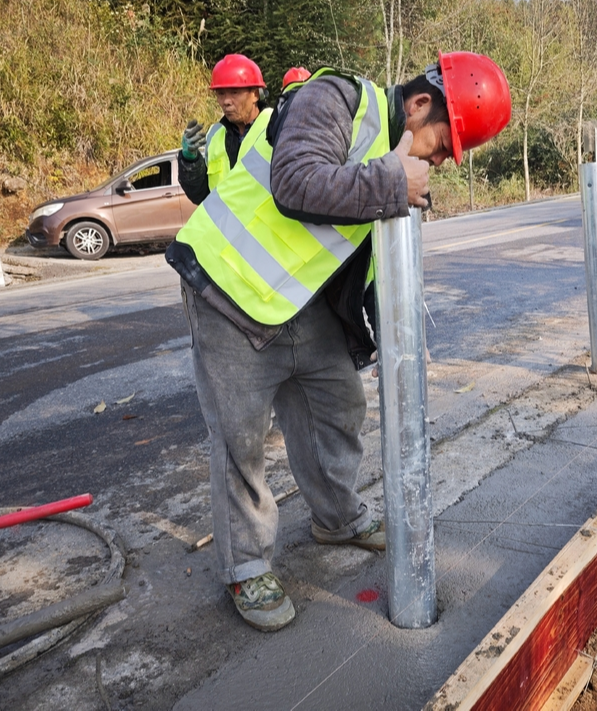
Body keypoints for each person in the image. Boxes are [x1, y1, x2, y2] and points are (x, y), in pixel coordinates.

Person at [165, 52, 511, 632]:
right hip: (224, 289)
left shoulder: (393, 161)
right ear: (421, 104)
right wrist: (392, 181)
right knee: (240, 439)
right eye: (443, 144)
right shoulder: (337, 100)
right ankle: (246, 565)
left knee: (338, 406)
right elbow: (295, 185)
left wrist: (396, 334)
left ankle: (336, 518)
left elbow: (365, 262)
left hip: (298, 304)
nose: (441, 160)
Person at [178, 54, 270, 205]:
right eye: (221, 94)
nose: (226, 101)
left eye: (234, 92)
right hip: (226, 227)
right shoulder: (215, 135)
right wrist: (190, 161)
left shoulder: (275, 127)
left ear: (255, 94)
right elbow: (201, 196)